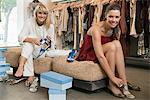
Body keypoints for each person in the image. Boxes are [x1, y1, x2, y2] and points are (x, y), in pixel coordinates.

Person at [76, 3, 135, 99]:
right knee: (112, 46)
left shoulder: (116, 29)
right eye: (111, 16)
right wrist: (113, 78)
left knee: (117, 44)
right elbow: (100, 56)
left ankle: (124, 84)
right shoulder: (96, 29)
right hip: (89, 54)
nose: (114, 20)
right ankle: (111, 84)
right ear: (105, 16)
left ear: (120, 18)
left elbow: (117, 52)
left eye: (116, 17)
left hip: (105, 51)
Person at [15, 3, 55, 92]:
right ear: (36, 14)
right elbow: (20, 37)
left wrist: (47, 43)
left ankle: (28, 74)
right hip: (30, 50)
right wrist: (33, 40)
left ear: (47, 15)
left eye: (44, 13)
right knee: (28, 43)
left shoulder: (50, 26)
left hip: (42, 52)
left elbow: (52, 43)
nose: (42, 15)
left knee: (29, 45)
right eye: (40, 13)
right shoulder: (29, 22)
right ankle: (24, 69)